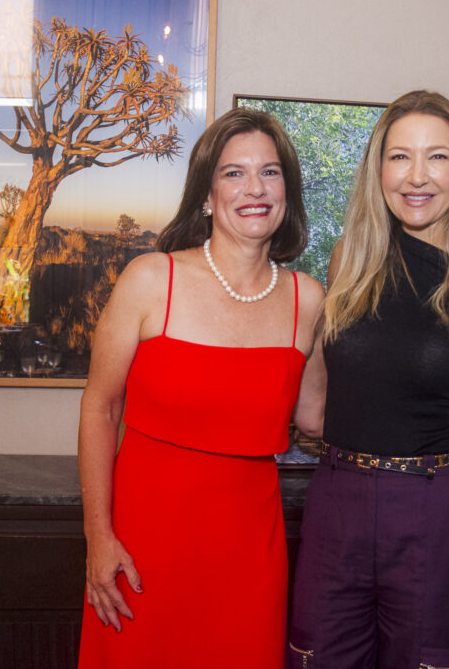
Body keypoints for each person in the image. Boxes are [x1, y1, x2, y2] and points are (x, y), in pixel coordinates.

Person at [287, 90, 449, 668]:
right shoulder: (347, 263)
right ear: (378, 169)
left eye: (437, 157)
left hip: (435, 515)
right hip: (337, 507)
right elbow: (320, 397)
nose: (417, 176)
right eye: (400, 156)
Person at [77, 107, 326, 668]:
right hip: (142, 549)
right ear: (208, 195)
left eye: (270, 172)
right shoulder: (150, 279)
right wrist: (98, 537)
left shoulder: (307, 301)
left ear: (288, 189)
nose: (254, 188)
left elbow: (317, 418)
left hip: (248, 559)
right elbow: (100, 406)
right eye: (234, 173)